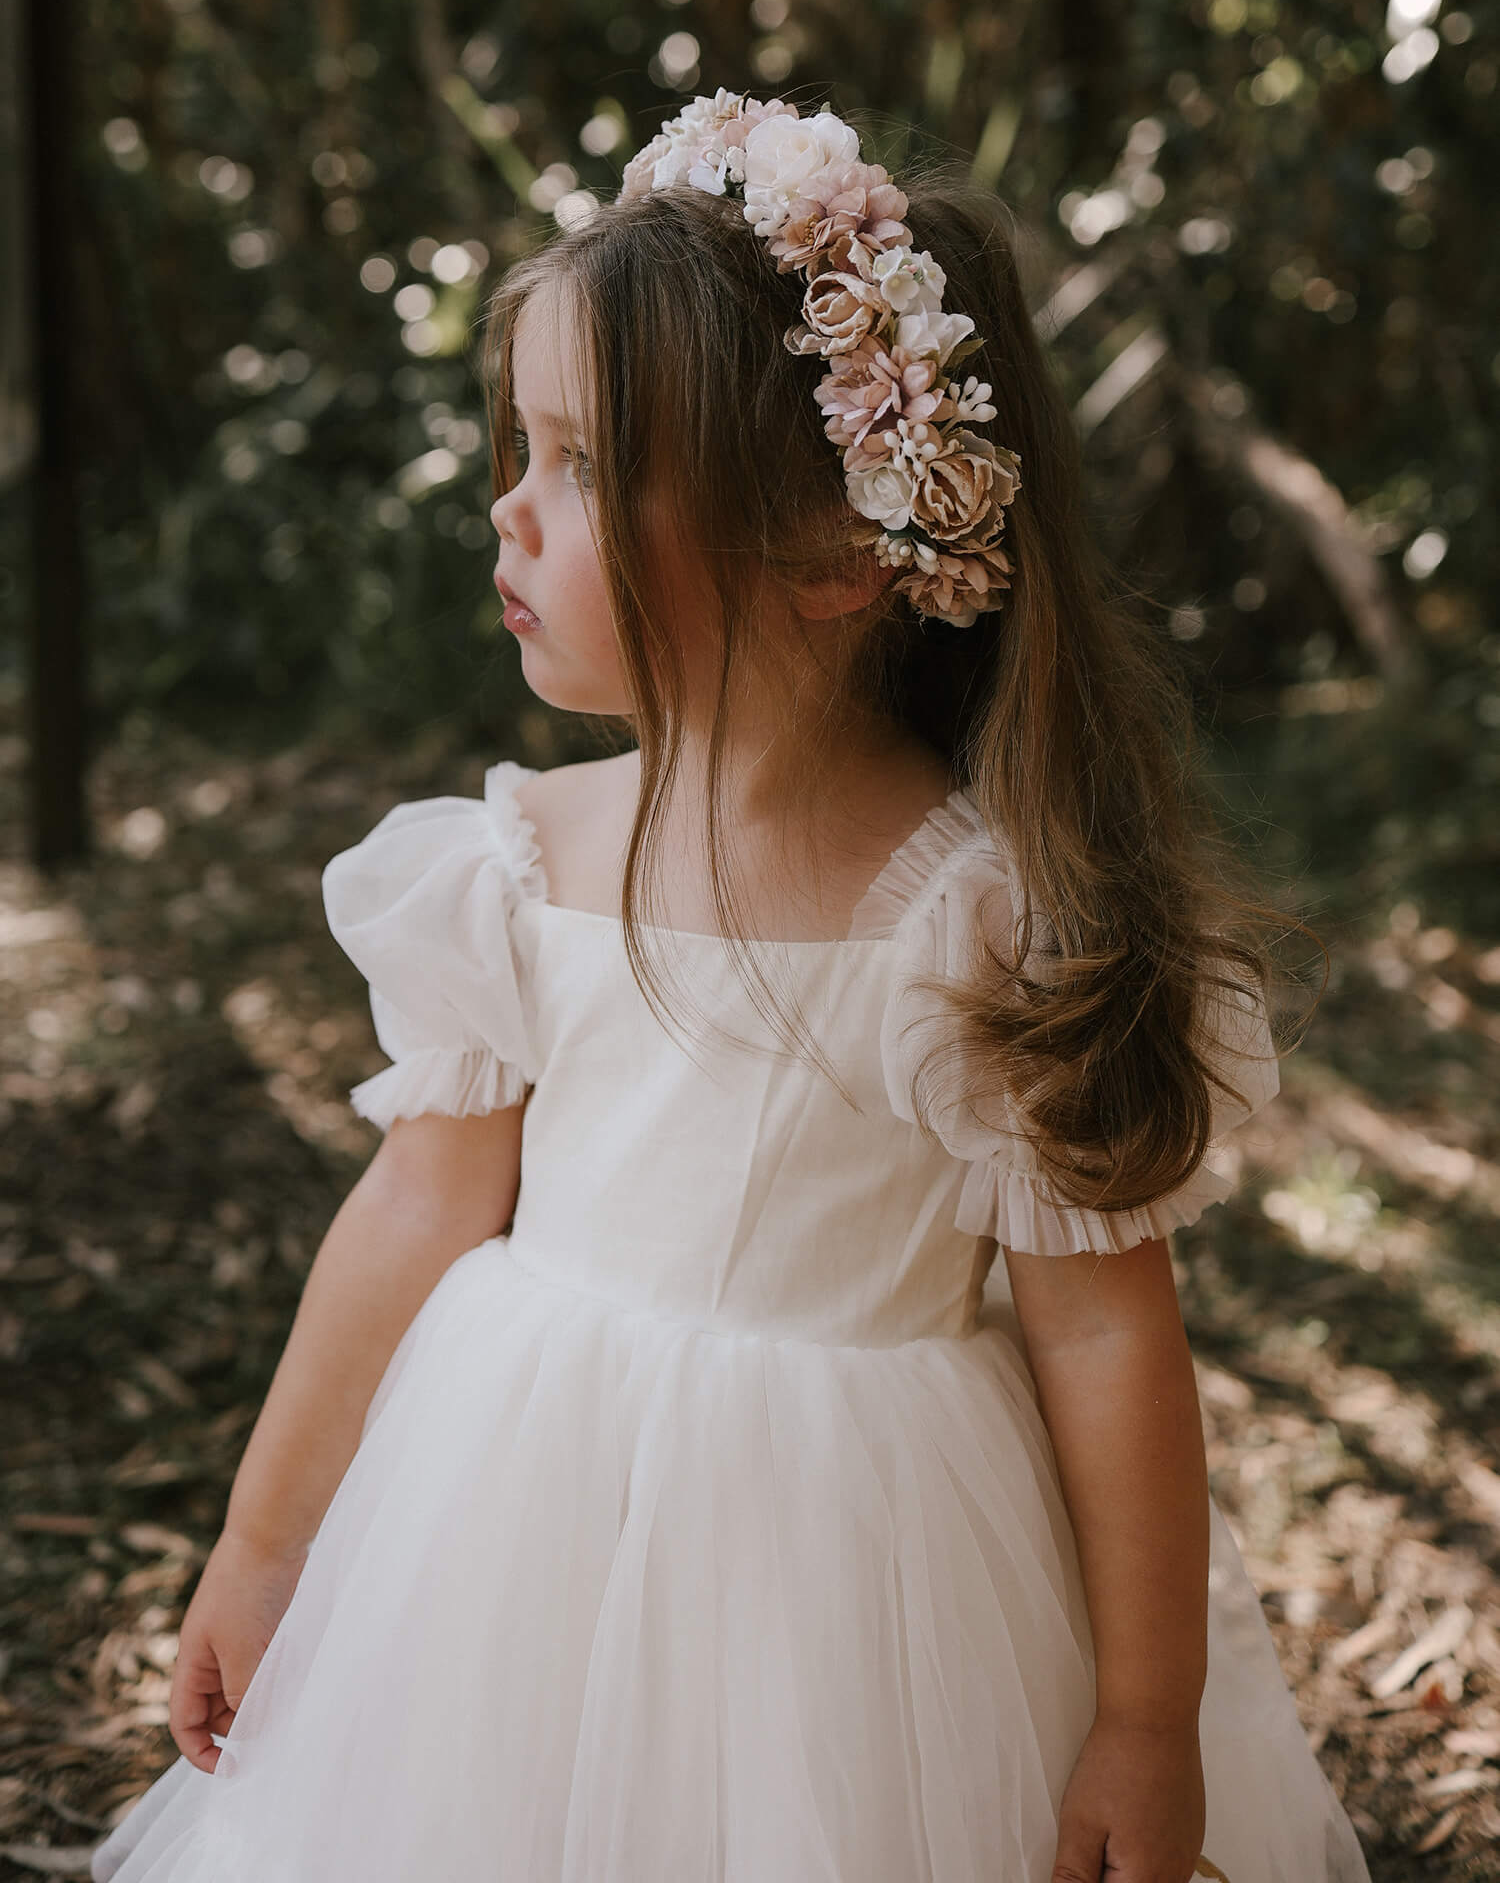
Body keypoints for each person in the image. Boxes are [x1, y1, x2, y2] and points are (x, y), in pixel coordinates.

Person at [91, 91, 1370, 1883]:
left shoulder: (978, 921)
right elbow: (417, 1208)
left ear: (837, 553)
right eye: (520, 448)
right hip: (508, 1526)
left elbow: (1102, 1328)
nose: (508, 509)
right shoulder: (526, 860)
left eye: (583, 465)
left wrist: (1145, 1719)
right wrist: (266, 1536)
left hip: (857, 1585)